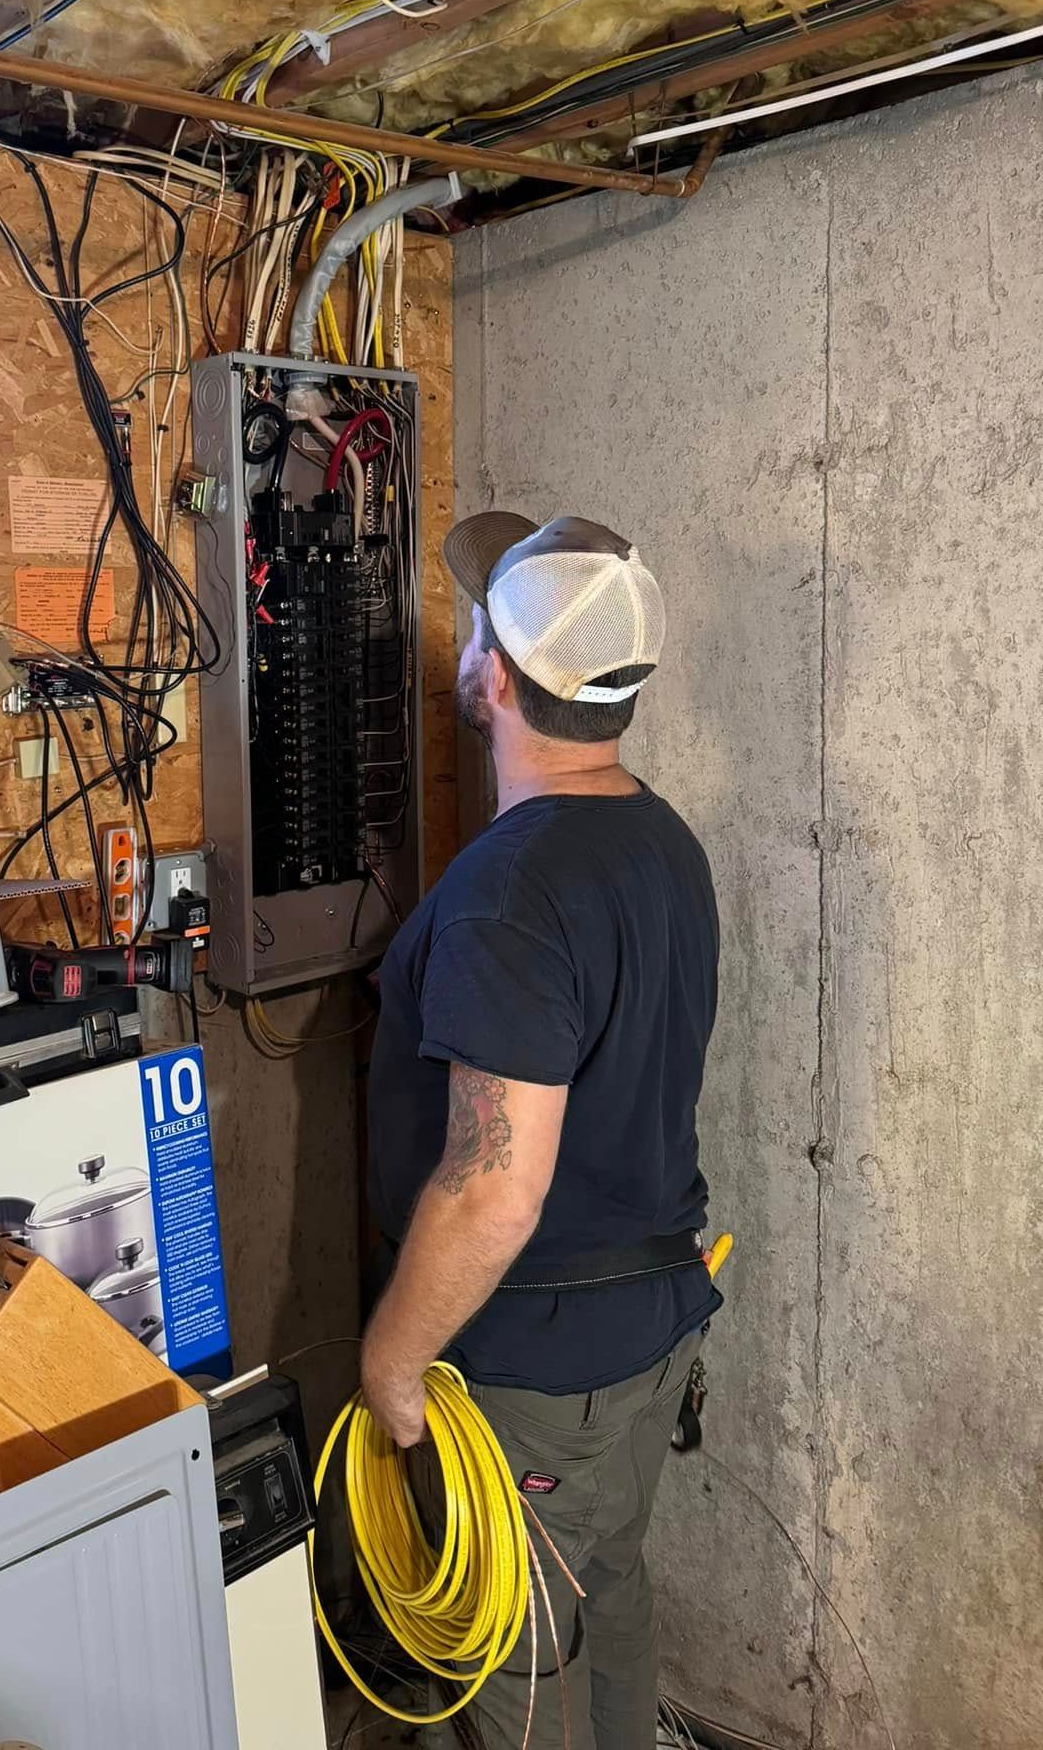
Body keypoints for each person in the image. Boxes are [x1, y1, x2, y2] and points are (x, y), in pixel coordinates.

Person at [361, 511, 722, 1750]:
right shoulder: (660, 841)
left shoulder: (511, 889)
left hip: (536, 1374)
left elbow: (491, 1187)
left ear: (496, 676)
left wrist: (394, 1363)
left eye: (475, 624)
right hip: (644, 1338)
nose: (459, 643)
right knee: (605, 1605)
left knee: (524, 1683)